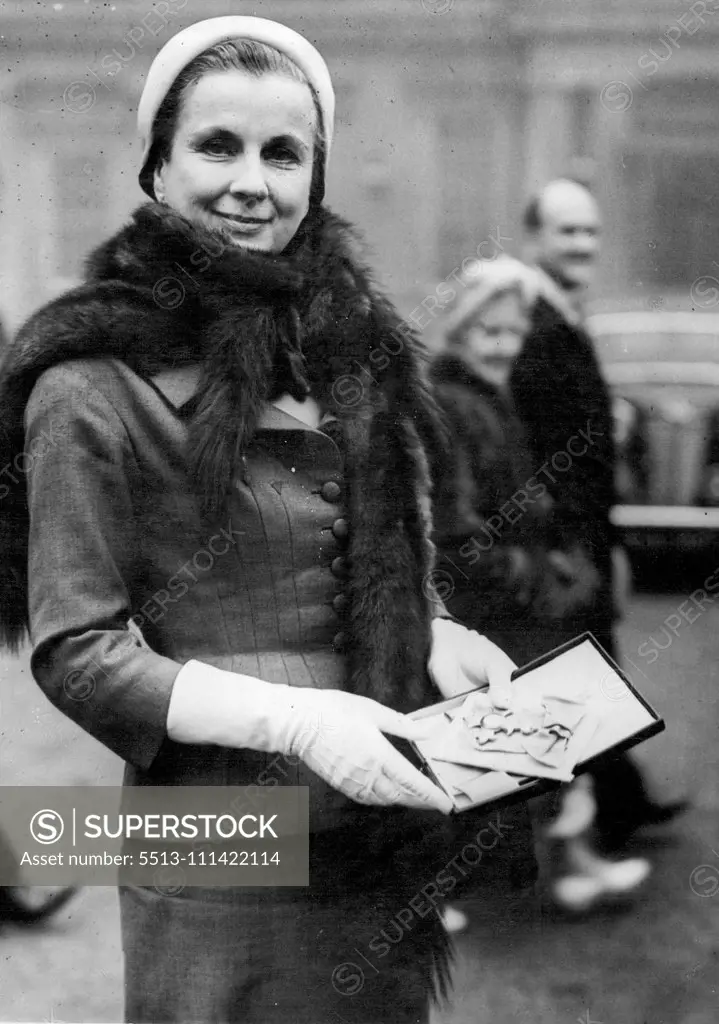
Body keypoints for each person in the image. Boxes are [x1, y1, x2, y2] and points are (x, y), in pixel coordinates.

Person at [0, 17, 522, 1024]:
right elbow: (76, 650)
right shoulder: (87, 385)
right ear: (156, 170)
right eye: (216, 145)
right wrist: (298, 720)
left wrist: (435, 632)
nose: (253, 183)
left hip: (377, 824)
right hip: (219, 841)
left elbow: (350, 558)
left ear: (315, 182)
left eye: (283, 154)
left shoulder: (346, 356)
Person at [428, 256, 651, 915]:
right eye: (486, 332)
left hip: (512, 597)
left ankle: (568, 864)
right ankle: (444, 889)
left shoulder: (488, 396)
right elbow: (456, 534)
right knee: (494, 753)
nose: (501, 346)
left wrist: (554, 563)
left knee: (545, 742)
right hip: (483, 608)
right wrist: (537, 578)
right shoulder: (450, 403)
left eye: (511, 331)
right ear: (461, 333)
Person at [511, 178, 687, 856]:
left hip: (582, 536)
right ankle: (577, 822)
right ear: (534, 239)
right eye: (566, 231)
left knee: (586, 676)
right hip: (559, 543)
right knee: (570, 682)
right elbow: (529, 453)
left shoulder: (562, 318)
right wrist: (562, 546)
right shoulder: (534, 326)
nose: (582, 244)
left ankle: (616, 803)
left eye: (589, 232)